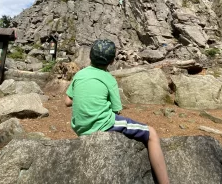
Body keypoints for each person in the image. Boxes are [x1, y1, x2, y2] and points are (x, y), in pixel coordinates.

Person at [65, 39, 169, 184]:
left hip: (80, 127)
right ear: (112, 61)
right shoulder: (109, 78)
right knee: (151, 133)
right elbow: (116, 110)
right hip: (102, 125)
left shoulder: (80, 74)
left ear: (90, 56)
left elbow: (67, 101)